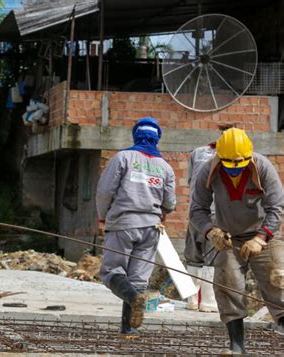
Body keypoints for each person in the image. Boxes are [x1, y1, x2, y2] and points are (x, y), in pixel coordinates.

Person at [190, 127, 284, 354]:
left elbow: (277, 208)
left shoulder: (263, 167)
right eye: (229, 166)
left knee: (278, 284)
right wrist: (210, 231)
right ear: (219, 157)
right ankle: (237, 346)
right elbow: (197, 210)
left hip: (265, 236)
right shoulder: (207, 171)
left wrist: (261, 238)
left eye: (239, 166)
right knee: (228, 285)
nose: (234, 171)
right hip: (229, 239)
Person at [96, 117, 176, 334]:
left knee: (112, 271)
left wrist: (102, 216)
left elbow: (105, 192)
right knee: (138, 279)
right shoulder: (165, 168)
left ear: (136, 135)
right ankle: (129, 331)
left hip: (123, 224)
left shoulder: (123, 158)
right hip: (151, 229)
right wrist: (161, 211)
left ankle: (133, 298)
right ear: (156, 138)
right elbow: (170, 203)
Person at [184, 124, 235, 312]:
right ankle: (208, 303)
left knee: (194, 255)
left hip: (195, 211)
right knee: (212, 257)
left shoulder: (197, 153)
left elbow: (191, 182)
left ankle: (191, 301)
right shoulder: (231, 158)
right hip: (215, 214)